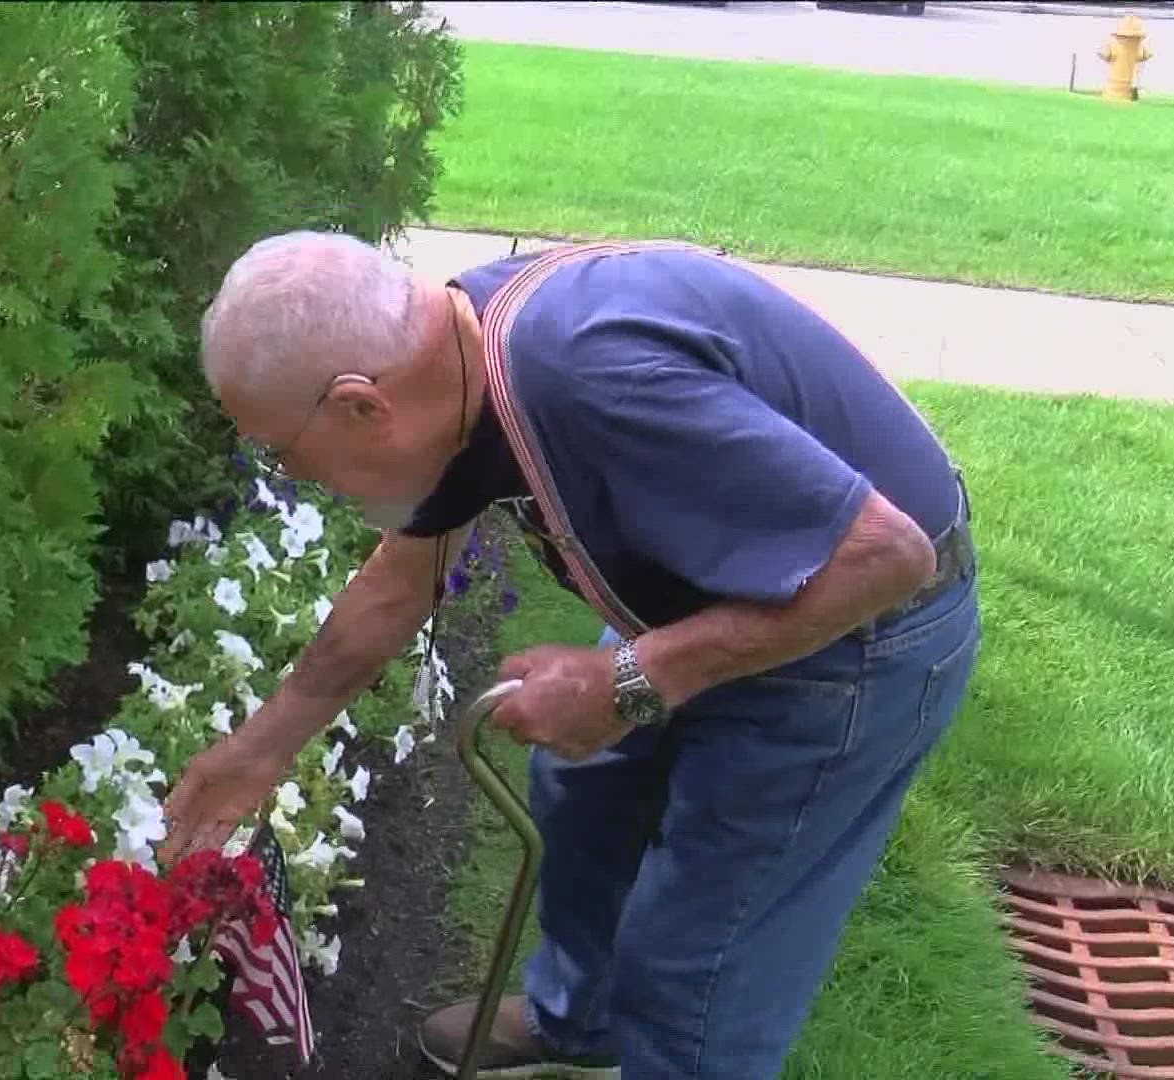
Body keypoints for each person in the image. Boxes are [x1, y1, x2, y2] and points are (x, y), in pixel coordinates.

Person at [158, 230, 980, 1079]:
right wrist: (263, 747)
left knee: (695, 961)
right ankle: (580, 1025)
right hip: (729, 586)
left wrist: (631, 679)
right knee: (584, 789)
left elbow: (888, 557)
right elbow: (402, 579)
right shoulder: (455, 356)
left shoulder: (585, 377)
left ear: (362, 405)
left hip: (858, 633)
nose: (290, 473)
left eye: (281, 451)